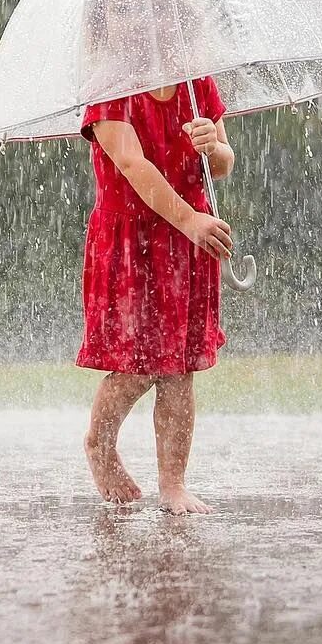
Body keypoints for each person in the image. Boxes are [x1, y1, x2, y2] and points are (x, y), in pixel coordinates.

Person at [78, 77, 234, 515]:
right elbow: (132, 163)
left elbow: (223, 163)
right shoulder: (111, 88)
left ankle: (173, 483)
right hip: (130, 239)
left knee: (180, 368)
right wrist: (190, 220)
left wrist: (214, 149)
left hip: (186, 241)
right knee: (136, 365)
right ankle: (100, 443)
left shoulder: (194, 84)